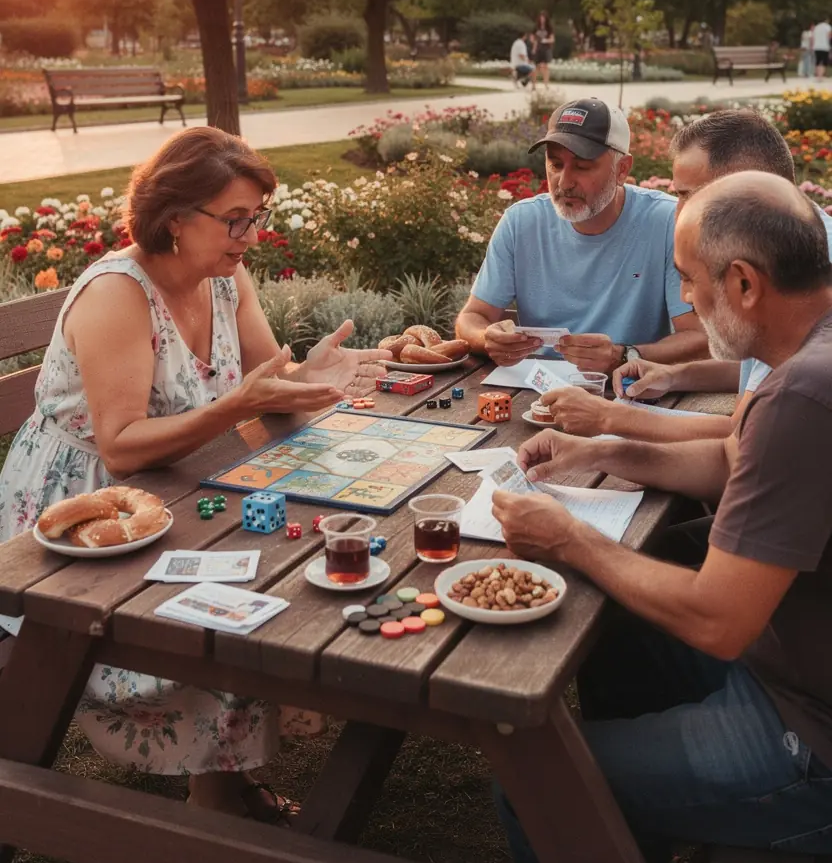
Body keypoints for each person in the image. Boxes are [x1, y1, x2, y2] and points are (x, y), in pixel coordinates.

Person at [0, 126, 390, 820]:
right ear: (175, 216)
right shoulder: (119, 294)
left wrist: (312, 380)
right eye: (235, 219)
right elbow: (119, 446)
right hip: (88, 515)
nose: (249, 236)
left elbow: (270, 379)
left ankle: (220, 787)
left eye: (258, 217)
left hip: (180, 486)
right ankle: (217, 804)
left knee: (297, 564)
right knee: (233, 607)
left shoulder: (223, 277)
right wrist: (242, 404)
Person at [493, 172, 832, 863]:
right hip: (793, 665)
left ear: (743, 283)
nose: (684, 299)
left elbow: (718, 621)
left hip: (811, 736)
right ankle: (640, 839)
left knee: (537, 782)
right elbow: (738, 459)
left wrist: (568, 538)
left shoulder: (802, 393)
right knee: (614, 640)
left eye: (689, 280)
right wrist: (609, 452)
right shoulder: (807, 357)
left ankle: (628, 820)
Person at [541, 108, 832, 443]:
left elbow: (740, 439)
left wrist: (609, 417)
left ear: (748, 185)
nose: (679, 213)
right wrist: (674, 375)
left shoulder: (794, 266)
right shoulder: (801, 232)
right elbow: (759, 367)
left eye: (687, 195)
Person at [455, 97, 706, 374]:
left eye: (582, 166)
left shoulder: (666, 221)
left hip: (626, 389)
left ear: (622, 169)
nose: (564, 182)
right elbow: (471, 317)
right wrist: (487, 338)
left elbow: (698, 337)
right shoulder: (520, 221)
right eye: (555, 164)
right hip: (533, 391)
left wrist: (624, 356)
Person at [530, 11, 554, 90]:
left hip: (545, 48)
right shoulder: (536, 27)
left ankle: (546, 84)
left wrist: (546, 40)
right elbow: (531, 37)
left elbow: (552, 39)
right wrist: (534, 43)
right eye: (541, 18)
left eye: (543, 18)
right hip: (537, 48)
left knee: (545, 67)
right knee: (536, 67)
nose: (542, 20)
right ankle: (533, 85)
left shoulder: (549, 28)